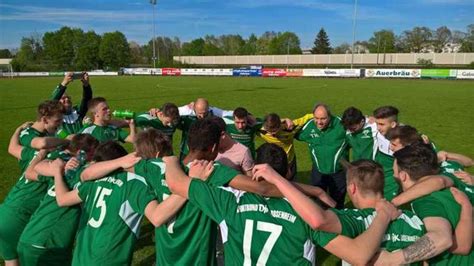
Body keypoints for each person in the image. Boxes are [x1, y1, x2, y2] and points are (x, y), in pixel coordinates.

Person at [164, 144, 399, 265]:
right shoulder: (307, 211)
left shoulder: (227, 201)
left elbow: (176, 183)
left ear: (256, 169)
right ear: (288, 172)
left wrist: (171, 160)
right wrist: (383, 215)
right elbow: (358, 255)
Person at [50, 141, 188, 265]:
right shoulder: (135, 184)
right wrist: (186, 187)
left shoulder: (93, 182)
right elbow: (157, 217)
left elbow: (62, 199)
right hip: (110, 260)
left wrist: (57, 173)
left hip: (82, 256)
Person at [380, 144, 473, 265]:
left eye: (394, 172)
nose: (393, 176)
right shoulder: (453, 180)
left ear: (403, 176)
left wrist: (393, 259)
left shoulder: (424, 201)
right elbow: (439, 181)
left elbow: (446, 240)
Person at [17, 134, 99, 266]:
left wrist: (57, 169)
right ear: (81, 153)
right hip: (48, 243)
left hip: (31, 237)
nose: (96, 155)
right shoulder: (80, 174)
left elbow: (32, 171)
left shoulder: (61, 170)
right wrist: (58, 169)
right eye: (93, 151)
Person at [296, 103, 348, 209]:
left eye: (323, 118)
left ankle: (339, 223)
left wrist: (370, 119)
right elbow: (293, 132)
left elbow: (358, 127)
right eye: (316, 118)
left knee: (338, 202)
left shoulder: (341, 124)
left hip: (338, 172)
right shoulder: (309, 126)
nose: (319, 122)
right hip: (318, 171)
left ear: (330, 116)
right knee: (317, 202)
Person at [258, 112, 312, 180]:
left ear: (279, 125)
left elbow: (307, 117)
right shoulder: (261, 130)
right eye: (269, 132)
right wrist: (284, 119)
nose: (272, 134)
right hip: (274, 161)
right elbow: (247, 118)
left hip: (289, 161)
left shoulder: (290, 127)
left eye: (274, 131)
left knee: (292, 183)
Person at [51, 72, 92, 138]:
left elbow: (87, 99)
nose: (67, 99)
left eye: (68, 97)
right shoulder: (55, 117)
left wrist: (86, 85)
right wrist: (64, 83)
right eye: (63, 98)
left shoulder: (78, 112)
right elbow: (52, 103)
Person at [372, 105, 401, 200]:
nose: (378, 128)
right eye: (377, 124)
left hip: (393, 179)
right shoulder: (379, 130)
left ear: (393, 124)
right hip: (380, 175)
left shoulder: (403, 138)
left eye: (381, 124)